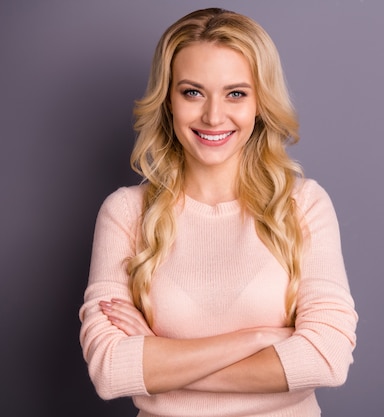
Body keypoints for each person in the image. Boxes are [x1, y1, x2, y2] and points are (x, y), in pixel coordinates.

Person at [78, 7, 357, 417]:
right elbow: (109, 370)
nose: (212, 115)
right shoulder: (125, 212)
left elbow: (327, 357)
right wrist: (258, 338)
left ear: (260, 102)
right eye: (192, 92)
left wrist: (161, 362)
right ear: (168, 100)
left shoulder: (303, 205)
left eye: (236, 93)